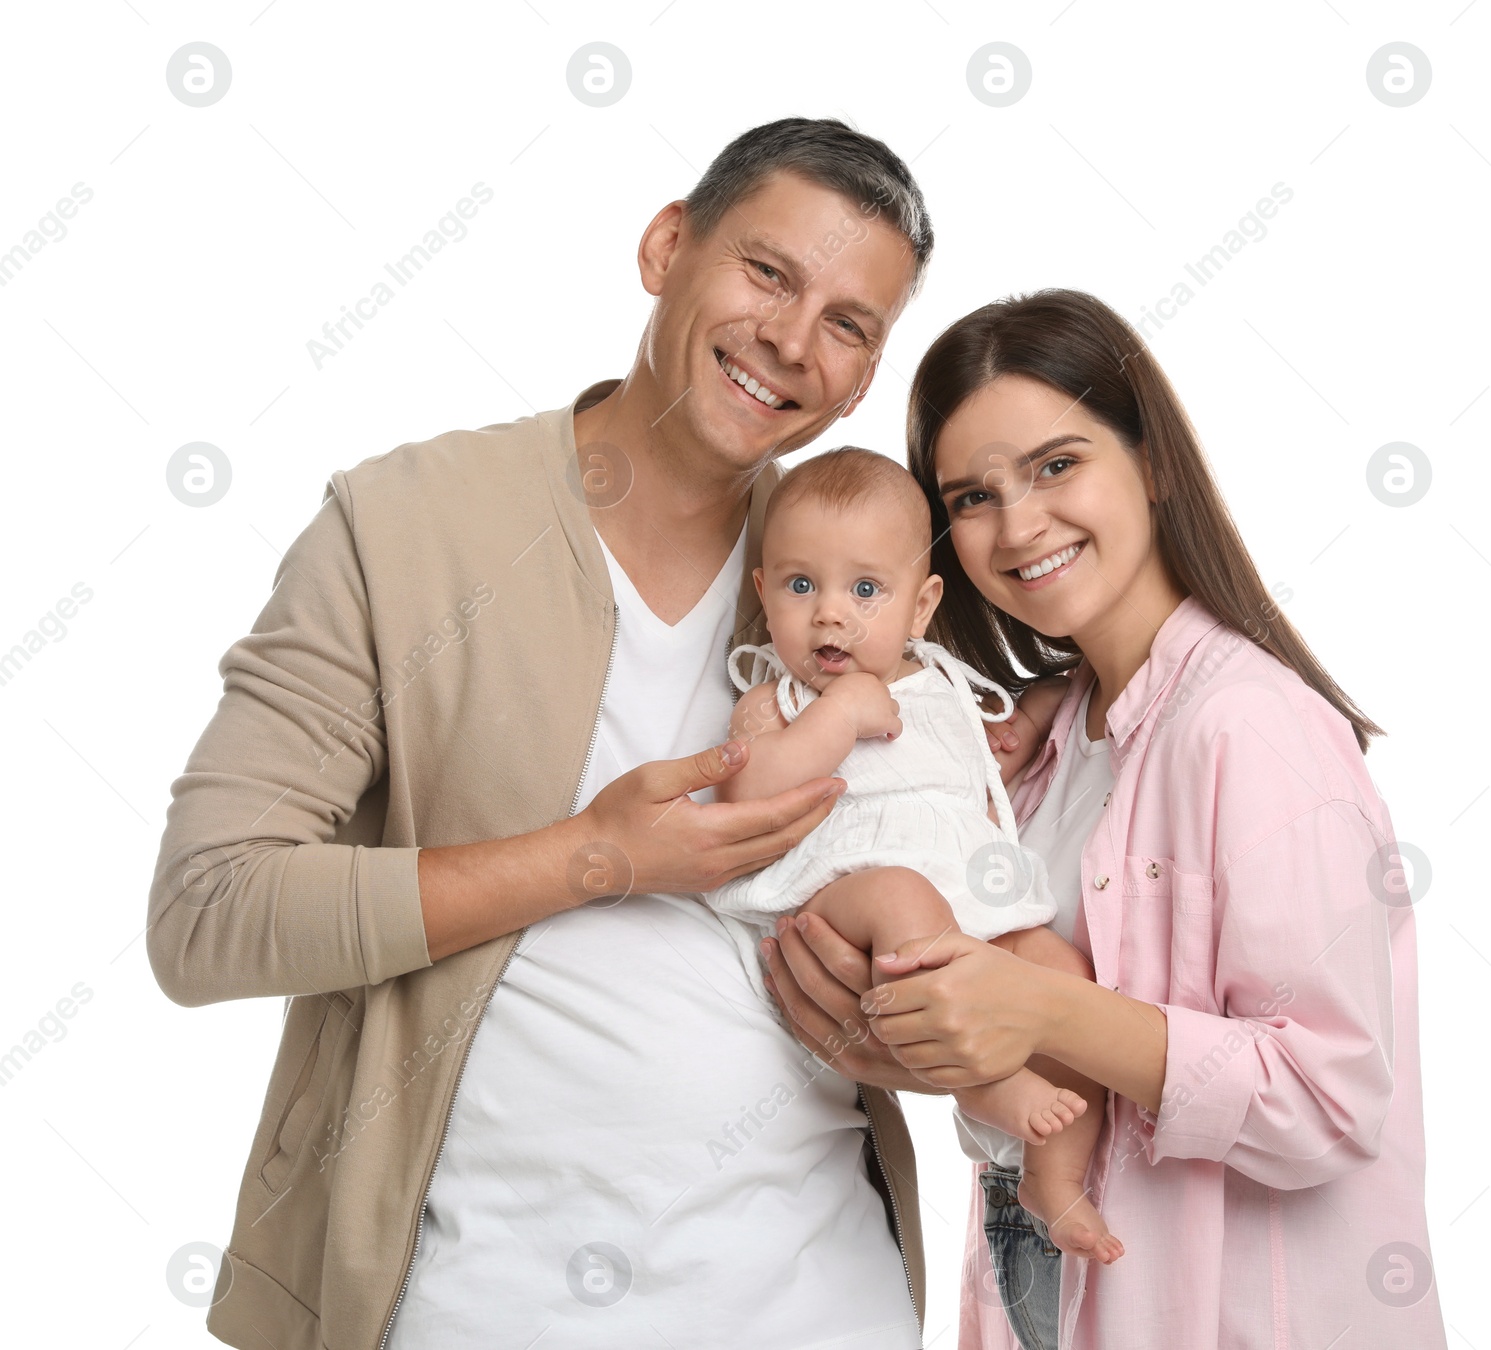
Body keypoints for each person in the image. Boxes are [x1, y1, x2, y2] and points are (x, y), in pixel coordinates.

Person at [146, 118, 937, 1349]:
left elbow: (983, 908)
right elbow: (206, 913)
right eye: (767, 273)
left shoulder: (856, 571)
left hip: (824, 1305)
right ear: (666, 246)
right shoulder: (400, 528)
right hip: (473, 1305)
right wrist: (594, 858)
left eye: (849, 325)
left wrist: (918, 1016)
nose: (791, 341)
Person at [762, 289, 1447, 1348]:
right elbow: (1007, 1038)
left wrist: (1037, 1012)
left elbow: (1330, 1096)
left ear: (1153, 462)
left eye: (1055, 465)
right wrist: (910, 1037)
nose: (1020, 523)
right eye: (973, 496)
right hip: (1040, 1271)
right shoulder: (1030, 745)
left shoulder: (1248, 729)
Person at [702, 446, 1125, 1264]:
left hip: (972, 904)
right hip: (845, 893)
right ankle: (986, 1082)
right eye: (801, 586)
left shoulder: (940, 686)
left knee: (1065, 974)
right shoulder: (774, 699)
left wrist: (1024, 729)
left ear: (922, 604)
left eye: (865, 590)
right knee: (903, 902)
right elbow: (746, 798)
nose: (831, 615)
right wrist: (840, 717)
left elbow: (1006, 726)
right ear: (763, 593)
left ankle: (1057, 1177)